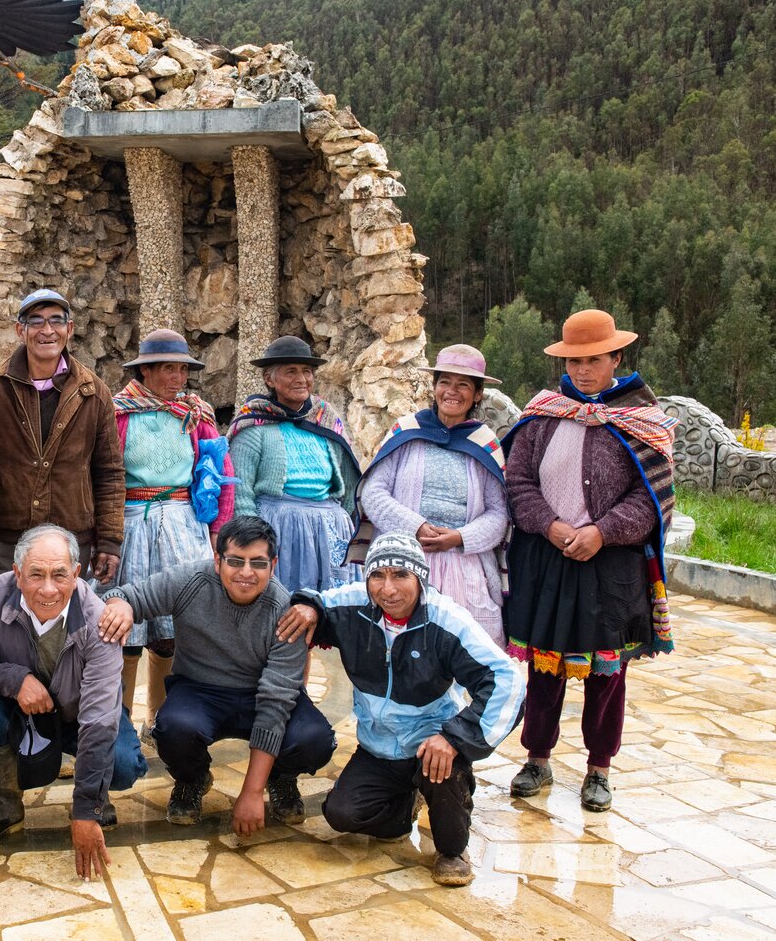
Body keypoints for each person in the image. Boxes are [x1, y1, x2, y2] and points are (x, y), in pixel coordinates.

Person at [501, 310, 677, 814]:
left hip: (609, 564)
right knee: (544, 665)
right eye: (574, 360)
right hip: (546, 557)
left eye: (593, 360)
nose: (582, 370)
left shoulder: (641, 419)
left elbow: (653, 500)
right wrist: (552, 526)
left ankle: (599, 767)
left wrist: (601, 532)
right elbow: (517, 482)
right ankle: (538, 758)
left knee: (606, 671)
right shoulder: (544, 415)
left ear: (616, 358)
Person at [281, 532, 525, 885]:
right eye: (377, 575)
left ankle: (453, 846)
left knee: (445, 797)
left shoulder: (447, 621)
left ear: (420, 578)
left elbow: (507, 680)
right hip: (378, 748)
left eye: (400, 575)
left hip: (432, 745)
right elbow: (318, 602)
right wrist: (309, 607)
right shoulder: (355, 607)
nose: (387, 589)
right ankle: (405, 805)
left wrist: (456, 738)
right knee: (341, 814)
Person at [98, 515, 337, 831]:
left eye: (258, 563)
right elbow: (129, 596)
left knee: (313, 739)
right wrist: (122, 606)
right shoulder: (190, 581)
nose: (246, 573)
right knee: (173, 729)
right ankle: (193, 779)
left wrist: (251, 792)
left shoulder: (287, 610)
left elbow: (275, 701)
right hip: (199, 689)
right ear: (217, 560)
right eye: (235, 561)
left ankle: (280, 775)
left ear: (274, 564)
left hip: (260, 694)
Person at [0, 524, 148, 879]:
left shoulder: (99, 620)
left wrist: (84, 809)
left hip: (79, 715)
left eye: (60, 575)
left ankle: (99, 793)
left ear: (77, 574)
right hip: (20, 710)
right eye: (35, 575)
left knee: (122, 765)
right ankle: (5, 805)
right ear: (17, 574)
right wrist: (16, 681)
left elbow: (98, 719)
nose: (48, 589)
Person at [111, 329, 234, 739]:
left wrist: (218, 530)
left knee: (171, 628)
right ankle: (120, 720)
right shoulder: (118, 413)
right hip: (131, 521)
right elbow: (103, 474)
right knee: (124, 627)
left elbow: (219, 473)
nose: (178, 377)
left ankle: (158, 717)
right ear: (145, 370)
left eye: (183, 369)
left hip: (183, 522)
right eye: (168, 368)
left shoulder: (195, 414)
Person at [352, 344, 509, 643]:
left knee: (463, 655)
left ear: (477, 394)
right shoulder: (407, 430)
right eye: (444, 382)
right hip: (403, 562)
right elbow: (374, 492)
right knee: (399, 650)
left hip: (464, 566)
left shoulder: (484, 442)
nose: (452, 391)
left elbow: (498, 512)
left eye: (463, 384)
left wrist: (460, 538)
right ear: (434, 387)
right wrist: (416, 527)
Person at [0, 288, 125, 583]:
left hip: (70, 540)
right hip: (4, 541)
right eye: (36, 321)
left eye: (56, 321)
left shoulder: (93, 392)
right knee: (2, 622)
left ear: (70, 329)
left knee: (61, 626)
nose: (47, 330)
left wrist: (109, 540)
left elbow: (109, 473)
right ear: (20, 330)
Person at [229, 336, 362, 594]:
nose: (301, 379)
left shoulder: (324, 418)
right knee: (284, 607)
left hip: (331, 530)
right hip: (279, 529)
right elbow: (240, 492)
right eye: (291, 371)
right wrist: (255, 541)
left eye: (307, 371)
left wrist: (345, 523)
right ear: (270, 379)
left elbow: (350, 480)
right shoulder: (254, 424)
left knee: (333, 608)